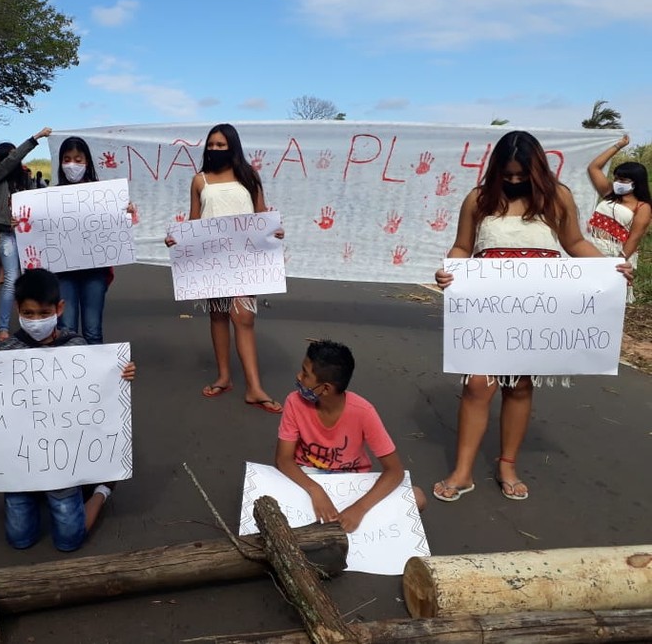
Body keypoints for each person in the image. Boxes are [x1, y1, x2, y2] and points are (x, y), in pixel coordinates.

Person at [432, 130, 633, 502]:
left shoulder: (557, 197)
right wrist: (449, 272)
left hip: (538, 308)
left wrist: (611, 269)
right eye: (506, 175)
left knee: (520, 385)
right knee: (477, 384)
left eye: (519, 175)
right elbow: (462, 245)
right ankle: (462, 471)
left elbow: (575, 243)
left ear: (536, 168)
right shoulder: (478, 199)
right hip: (487, 304)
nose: (512, 181)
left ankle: (507, 464)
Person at [0, 268, 136, 551]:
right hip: (19, 462)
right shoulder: (7, 352)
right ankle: (37, 492)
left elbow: (95, 392)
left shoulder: (77, 348)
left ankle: (101, 490)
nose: (36, 321)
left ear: (59, 308)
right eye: (28, 313)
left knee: (69, 541)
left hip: (64, 458)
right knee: (19, 539)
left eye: (43, 313)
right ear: (17, 309)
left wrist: (119, 375)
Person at [164, 123, 285, 413]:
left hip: (243, 259)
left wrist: (273, 232)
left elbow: (261, 215)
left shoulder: (248, 176)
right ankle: (224, 377)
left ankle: (254, 387)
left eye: (221, 145)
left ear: (233, 146)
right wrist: (178, 240)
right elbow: (194, 221)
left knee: (243, 318)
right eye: (212, 145)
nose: (216, 149)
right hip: (212, 261)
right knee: (218, 316)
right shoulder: (199, 181)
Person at [275, 339, 426, 532]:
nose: (299, 376)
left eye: (305, 374)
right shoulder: (294, 402)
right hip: (308, 478)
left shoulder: (363, 411)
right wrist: (315, 490)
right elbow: (283, 459)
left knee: (418, 498)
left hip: (352, 483)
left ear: (326, 388)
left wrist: (360, 508)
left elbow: (394, 470)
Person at [52, 137, 138, 345]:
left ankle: (95, 377)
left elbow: (124, 224)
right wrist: (21, 222)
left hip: (94, 272)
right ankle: (68, 376)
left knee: (93, 330)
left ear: (87, 162)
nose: (72, 164)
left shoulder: (103, 194)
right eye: (67, 159)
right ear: (61, 163)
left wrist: (127, 213)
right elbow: (36, 229)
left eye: (78, 159)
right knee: (66, 330)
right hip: (63, 274)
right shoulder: (49, 197)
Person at [0, 127, 53, 340]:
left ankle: (36, 324)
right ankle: (3, 328)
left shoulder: (25, 179)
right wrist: (34, 138)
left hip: (30, 234)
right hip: (9, 235)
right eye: (12, 155)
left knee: (34, 279)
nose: (16, 159)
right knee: (12, 279)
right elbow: (12, 160)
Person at [586, 134, 651, 304]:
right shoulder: (609, 194)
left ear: (636, 182)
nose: (617, 182)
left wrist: (617, 261)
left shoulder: (642, 207)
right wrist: (619, 145)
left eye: (622, 180)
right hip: (590, 249)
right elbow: (594, 167)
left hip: (614, 254)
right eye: (616, 178)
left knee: (606, 300)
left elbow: (635, 237)